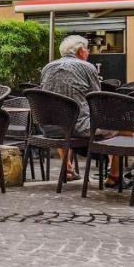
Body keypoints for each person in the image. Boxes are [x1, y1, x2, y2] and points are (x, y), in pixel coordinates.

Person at [40, 35, 110, 183]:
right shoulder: (87, 67)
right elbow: (97, 100)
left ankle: (67, 169)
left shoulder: (47, 67)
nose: (88, 53)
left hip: (49, 128)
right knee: (121, 126)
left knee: (64, 118)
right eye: (87, 50)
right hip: (80, 129)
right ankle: (114, 175)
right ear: (80, 51)